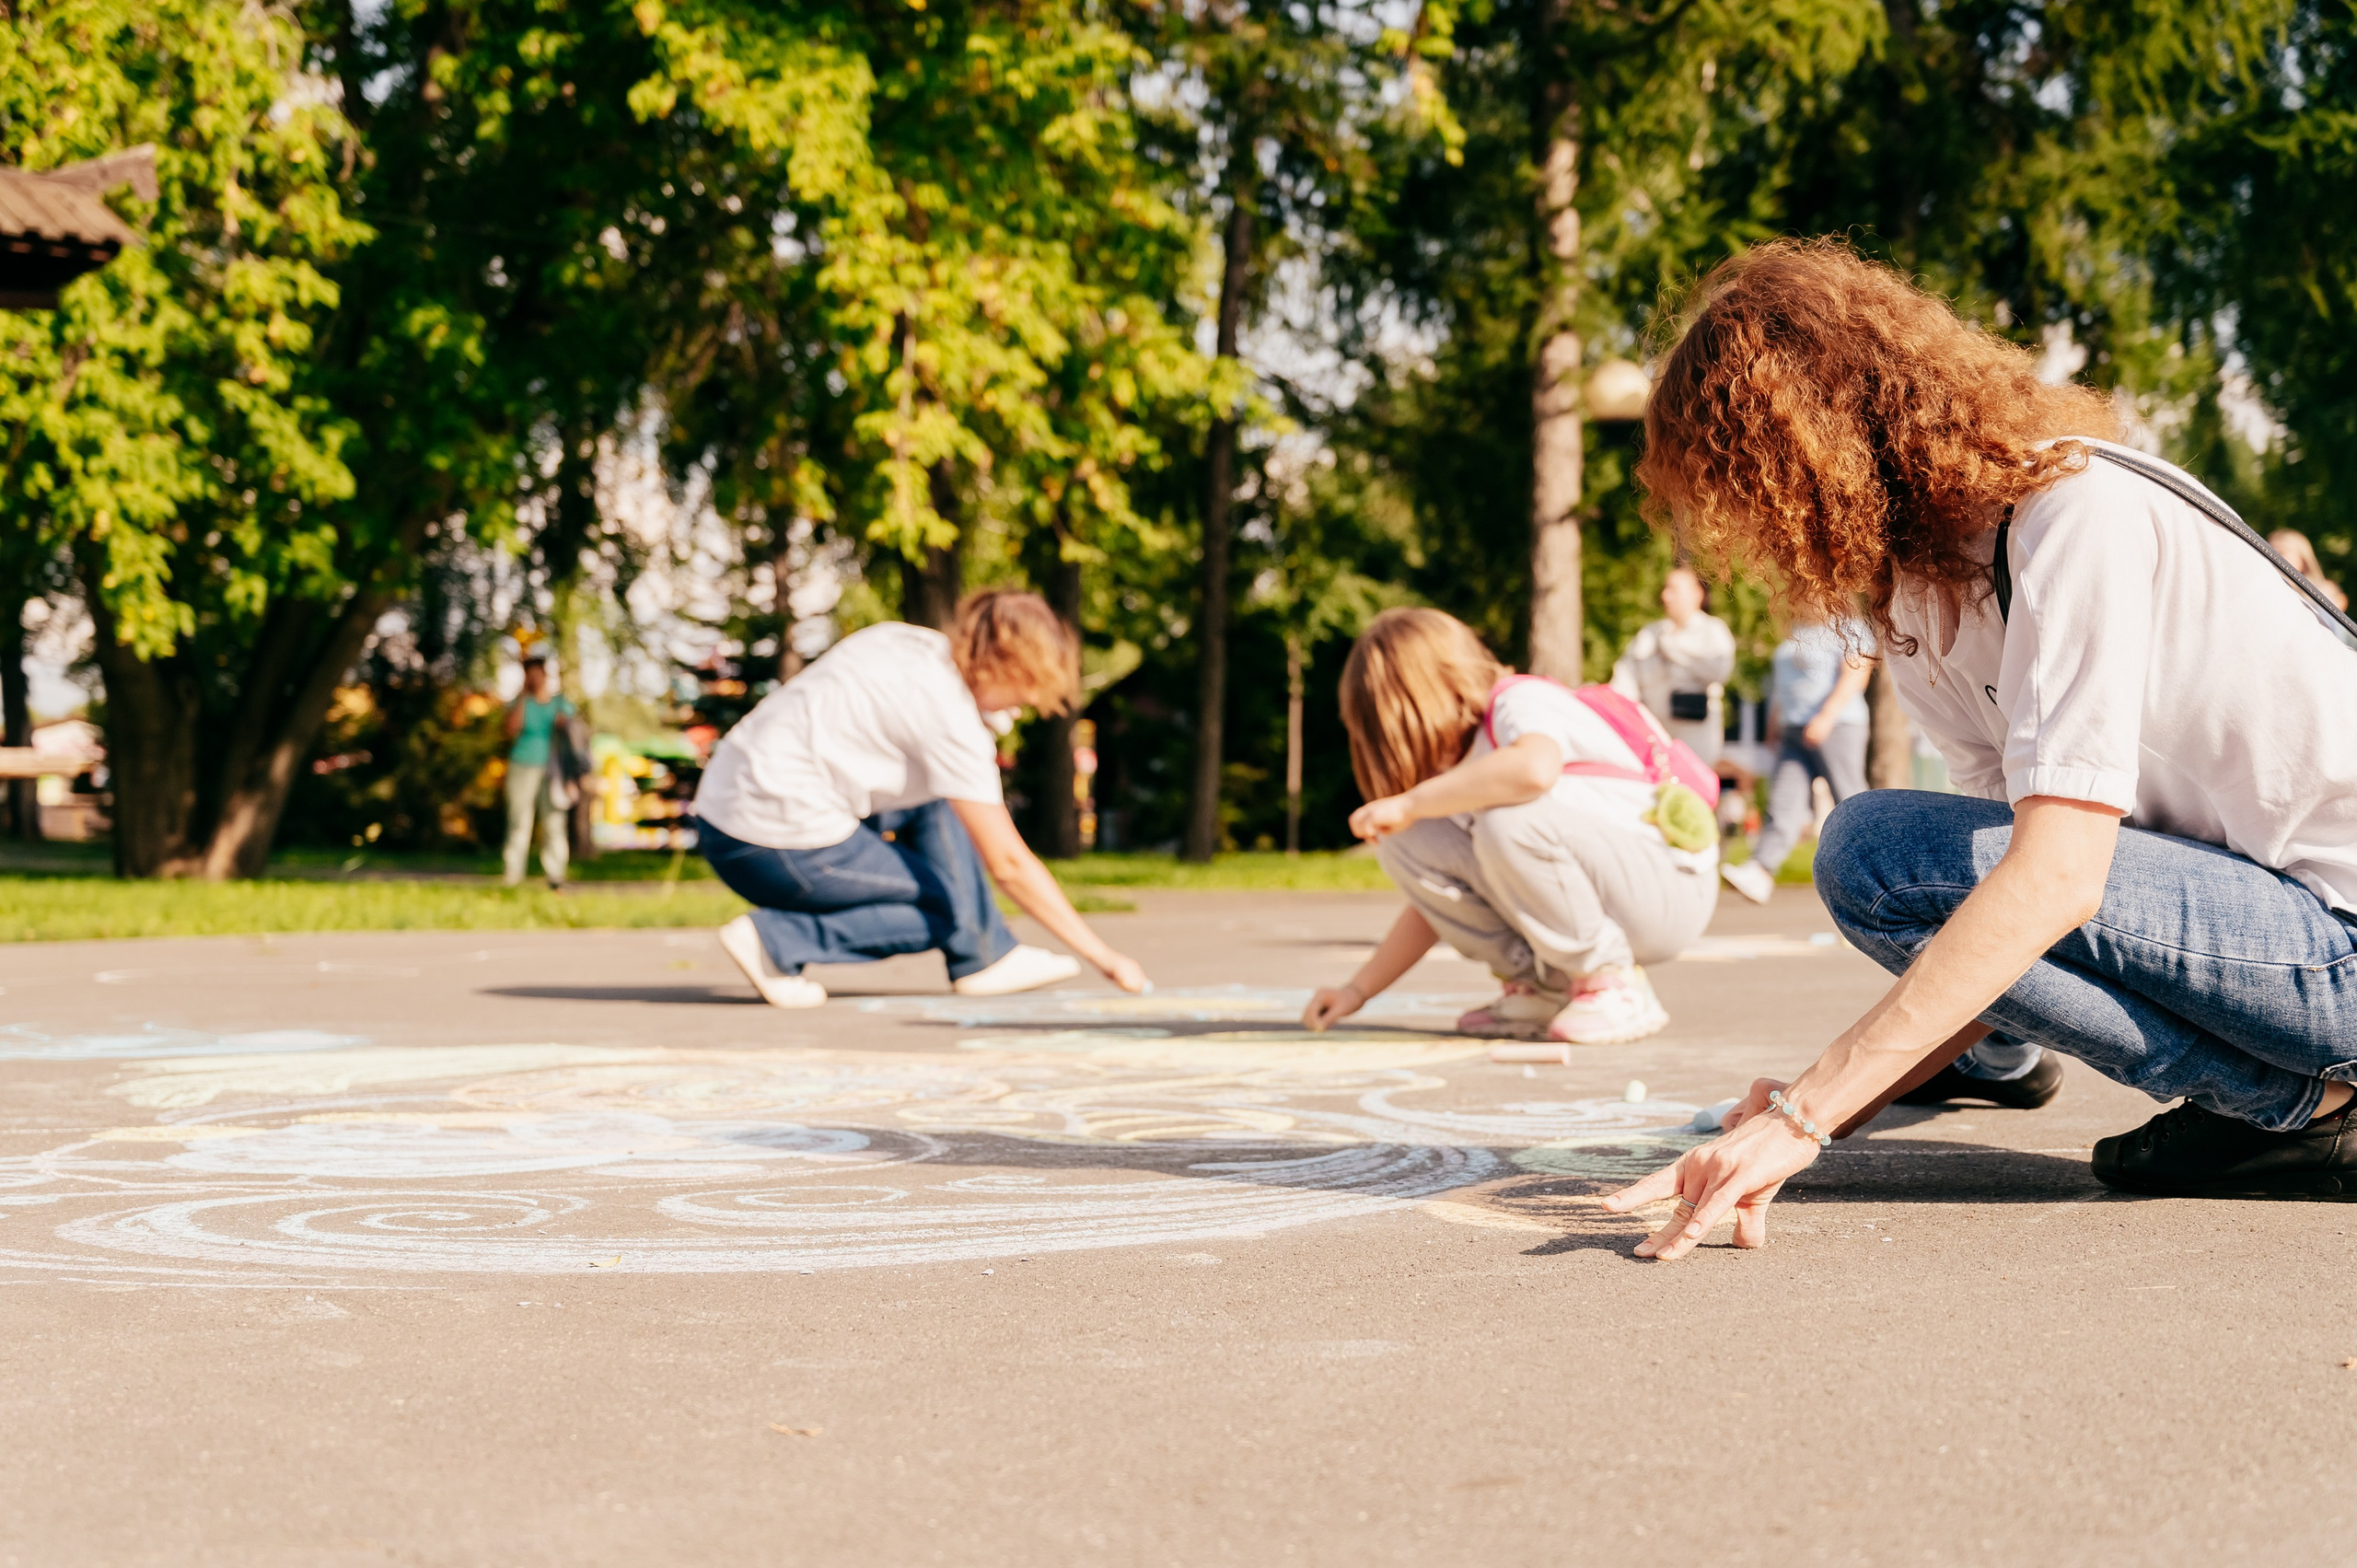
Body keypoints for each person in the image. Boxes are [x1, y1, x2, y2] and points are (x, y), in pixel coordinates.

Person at [1603, 238, 2357, 1260]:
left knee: (1871, 850)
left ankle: (2297, 1109)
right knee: (1895, 864)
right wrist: (1829, 1096)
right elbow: (1992, 911)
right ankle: (2305, 1112)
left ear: (1808, 451)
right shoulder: (1921, 602)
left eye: (1743, 487)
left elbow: (2054, 879)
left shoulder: (2071, 515)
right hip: (2283, 937)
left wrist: (1806, 1115)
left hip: (2341, 946)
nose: (1747, 532)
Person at [691, 589, 1148, 1007]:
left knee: (935, 799)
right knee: (947, 909)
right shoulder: (949, 719)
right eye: (1024, 690)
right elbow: (1009, 864)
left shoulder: (904, 643)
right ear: (1003, 666)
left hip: (723, 812)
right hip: (771, 846)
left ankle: (987, 957)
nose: (1022, 705)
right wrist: (1103, 956)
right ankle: (778, 941)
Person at [1299, 608, 1718, 1046]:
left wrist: (1411, 802)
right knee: (1409, 839)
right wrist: (1357, 991)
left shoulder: (1518, 702)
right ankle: (1546, 987)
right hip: (1618, 894)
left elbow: (1534, 770)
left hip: (1668, 891)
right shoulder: (1465, 771)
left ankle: (1613, 986)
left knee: (1508, 820)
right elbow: (1438, 902)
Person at [1716, 614, 1873, 904]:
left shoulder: (1849, 626)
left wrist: (1827, 716)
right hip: (1793, 729)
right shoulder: (1798, 627)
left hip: (1836, 726)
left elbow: (1857, 672)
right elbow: (1783, 684)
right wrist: (1774, 722)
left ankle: (1880, 873)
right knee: (1783, 802)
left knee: (1851, 802)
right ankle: (1760, 871)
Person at [1610, 564, 1736, 765]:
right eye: (1665, 589)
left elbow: (1720, 671)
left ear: (1696, 594)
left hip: (1696, 739)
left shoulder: (1712, 630)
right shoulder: (1649, 634)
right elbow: (1625, 680)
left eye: (1673, 590)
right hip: (1653, 735)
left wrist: (1674, 649)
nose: (1665, 596)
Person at [502, 655, 574, 891]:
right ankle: (513, 873)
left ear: (545, 675)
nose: (534, 678)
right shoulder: (520, 702)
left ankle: (555, 875)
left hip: (553, 770)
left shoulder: (559, 703)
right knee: (519, 820)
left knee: (554, 821)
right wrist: (523, 696)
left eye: (537, 673)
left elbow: (572, 737)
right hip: (523, 764)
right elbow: (511, 729)